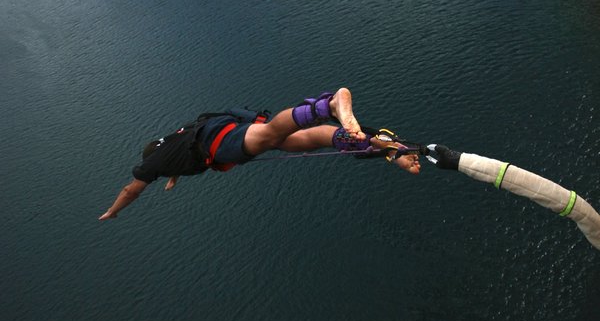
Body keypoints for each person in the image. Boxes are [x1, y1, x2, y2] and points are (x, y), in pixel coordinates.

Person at [98, 87, 420, 220]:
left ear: (152, 160)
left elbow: (131, 189)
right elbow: (174, 164)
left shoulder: (153, 162)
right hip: (228, 126)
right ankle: (381, 146)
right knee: (301, 141)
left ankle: (328, 105)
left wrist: (113, 211)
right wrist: (173, 178)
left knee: (270, 136)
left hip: (222, 142)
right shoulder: (172, 145)